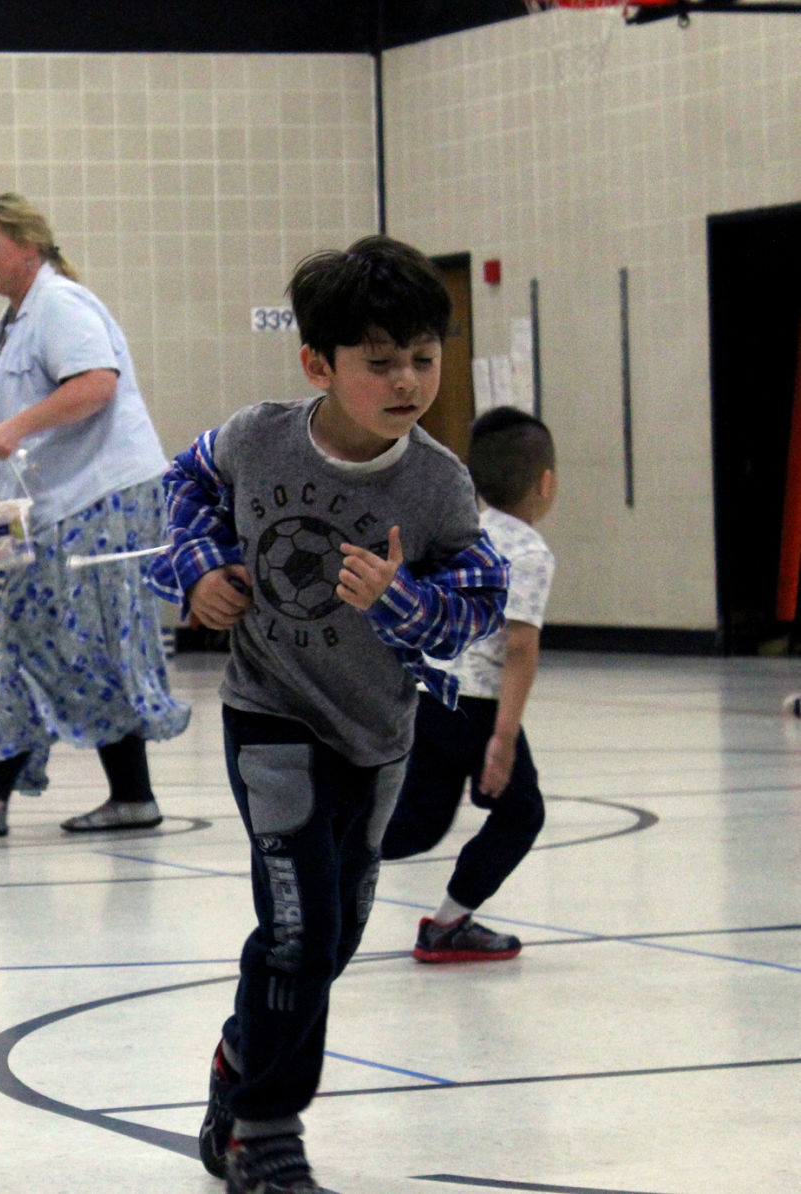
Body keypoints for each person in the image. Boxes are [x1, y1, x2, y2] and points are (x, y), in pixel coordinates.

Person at [146, 235, 510, 1193]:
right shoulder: (254, 436)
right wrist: (196, 572)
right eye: (378, 362)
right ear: (318, 363)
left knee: (332, 936)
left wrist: (401, 601)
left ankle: (237, 1061)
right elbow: (175, 493)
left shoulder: (436, 482)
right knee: (300, 930)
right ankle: (265, 1130)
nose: (406, 381)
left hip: (377, 732)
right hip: (269, 715)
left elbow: (479, 598)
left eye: (422, 359)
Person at [0, 193, 190, 838]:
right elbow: (18, 411)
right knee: (51, 634)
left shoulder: (60, 304)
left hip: (101, 499)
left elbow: (97, 384)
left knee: (49, 633)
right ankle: (128, 796)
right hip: (41, 502)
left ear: (29, 247)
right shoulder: (14, 321)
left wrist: (16, 427)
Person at [381, 408, 557, 962]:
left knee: (421, 823)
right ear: (545, 483)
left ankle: (324, 854)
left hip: (430, 695)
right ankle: (449, 924)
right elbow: (519, 646)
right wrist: (502, 739)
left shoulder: (465, 531)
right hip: (476, 707)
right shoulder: (528, 551)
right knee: (520, 811)